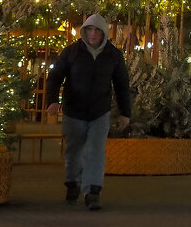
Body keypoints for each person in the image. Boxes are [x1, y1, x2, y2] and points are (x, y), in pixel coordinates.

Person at [45, 14, 131, 211]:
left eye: (97, 30)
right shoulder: (72, 52)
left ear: (103, 33)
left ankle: (92, 191)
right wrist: (52, 101)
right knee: (74, 151)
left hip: (99, 111)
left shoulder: (113, 55)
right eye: (89, 30)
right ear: (84, 31)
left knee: (95, 150)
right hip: (74, 110)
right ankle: (72, 183)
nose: (92, 34)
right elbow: (55, 77)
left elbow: (121, 85)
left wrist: (125, 112)